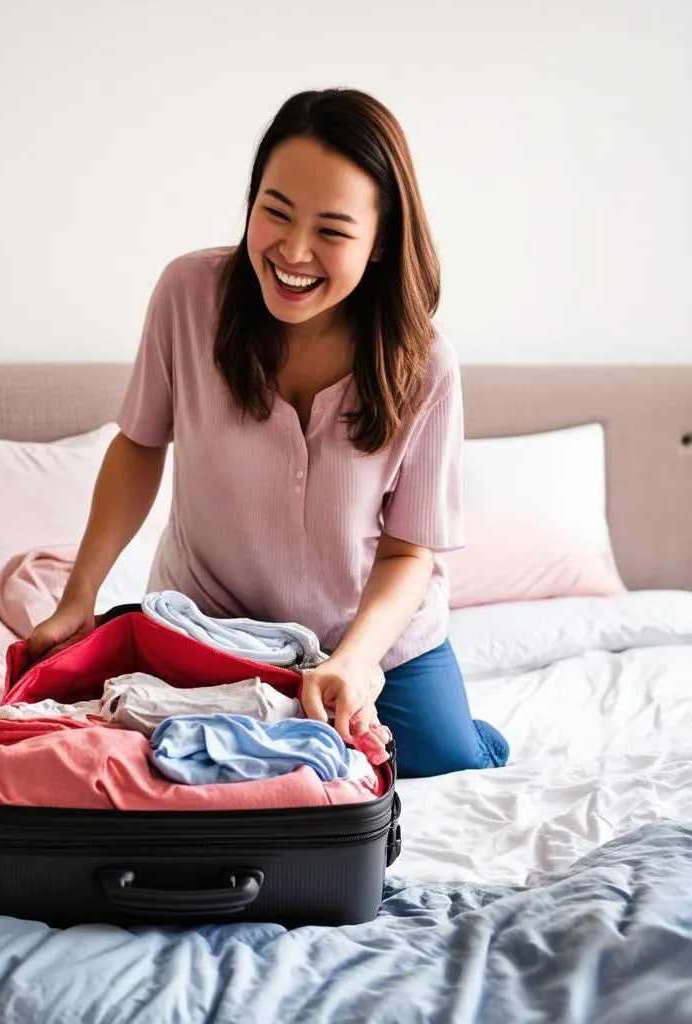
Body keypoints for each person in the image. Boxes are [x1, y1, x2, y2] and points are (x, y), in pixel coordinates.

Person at [28, 88, 508, 778]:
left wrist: (356, 660)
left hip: (368, 639)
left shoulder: (426, 365)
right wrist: (79, 598)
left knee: (445, 763)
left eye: (333, 231)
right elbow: (138, 444)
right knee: (188, 770)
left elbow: (410, 553)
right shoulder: (187, 295)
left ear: (379, 244)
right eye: (274, 212)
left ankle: (465, 728)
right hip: (209, 629)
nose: (294, 250)